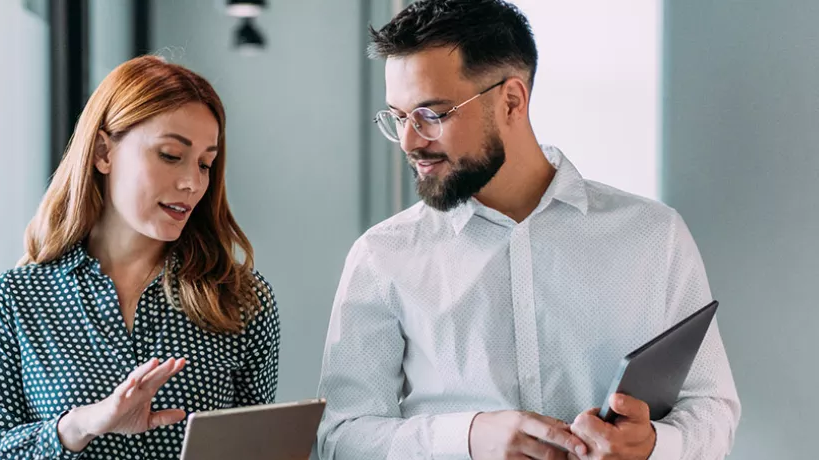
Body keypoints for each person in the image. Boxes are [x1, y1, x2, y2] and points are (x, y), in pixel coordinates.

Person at [315, 1, 740, 459]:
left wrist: (655, 444)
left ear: (512, 101)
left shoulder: (654, 235)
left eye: (431, 114)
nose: (409, 140)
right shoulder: (382, 255)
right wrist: (470, 439)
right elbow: (341, 438)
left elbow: (711, 406)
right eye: (399, 117)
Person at [0, 55, 280, 459]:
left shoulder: (241, 300)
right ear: (103, 152)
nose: (192, 182)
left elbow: (257, 451)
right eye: (170, 155)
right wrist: (79, 426)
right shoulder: (17, 299)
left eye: (206, 163)